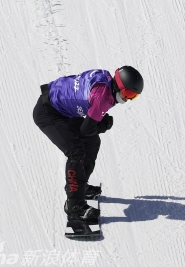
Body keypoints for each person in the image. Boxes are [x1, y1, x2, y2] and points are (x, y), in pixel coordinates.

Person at [33, 65, 144, 223]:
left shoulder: (105, 78)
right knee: (76, 151)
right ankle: (74, 206)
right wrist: (103, 125)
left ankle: (79, 187)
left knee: (91, 143)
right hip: (48, 113)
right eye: (128, 93)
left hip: (62, 108)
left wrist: (98, 119)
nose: (127, 99)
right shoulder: (103, 98)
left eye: (133, 96)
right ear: (119, 86)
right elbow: (86, 129)